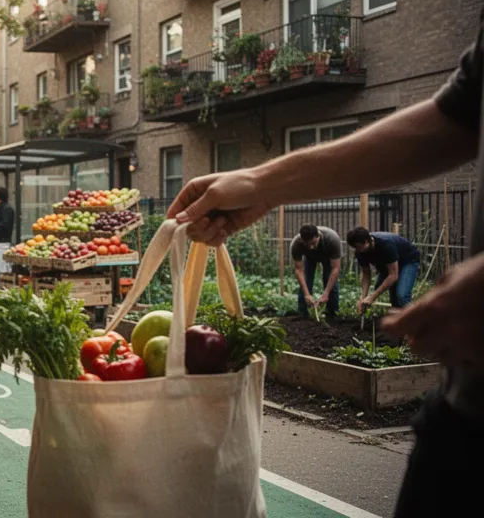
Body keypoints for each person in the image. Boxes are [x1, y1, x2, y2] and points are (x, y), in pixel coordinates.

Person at [165, 29, 484, 517]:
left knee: (393, 295)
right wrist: (261, 184)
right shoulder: (302, 244)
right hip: (463, 413)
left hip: (448, 354)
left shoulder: (341, 243)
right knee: (313, 299)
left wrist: (342, 297)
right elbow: (454, 116)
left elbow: (351, 272)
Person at [346, 227, 420, 314]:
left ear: (367, 241)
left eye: (359, 247)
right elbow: (366, 274)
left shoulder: (386, 245)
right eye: (355, 247)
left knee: (402, 296)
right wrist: (363, 297)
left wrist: (372, 297)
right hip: (389, 264)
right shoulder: (360, 251)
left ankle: (416, 321)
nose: (358, 250)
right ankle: (398, 321)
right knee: (384, 291)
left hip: (408, 261)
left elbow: (393, 275)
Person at [290, 224, 342, 320]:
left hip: (328, 257)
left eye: (313, 243)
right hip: (309, 258)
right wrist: (307, 294)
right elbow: (298, 270)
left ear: (318, 235)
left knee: (329, 282)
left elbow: (336, 268)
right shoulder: (297, 243)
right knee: (306, 281)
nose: (311, 247)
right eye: (307, 244)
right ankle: (303, 314)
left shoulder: (332, 239)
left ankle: (332, 313)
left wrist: (326, 294)